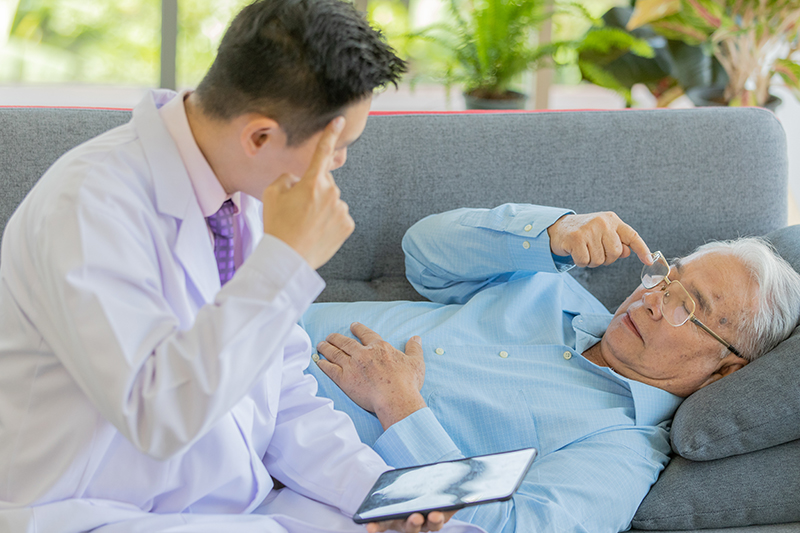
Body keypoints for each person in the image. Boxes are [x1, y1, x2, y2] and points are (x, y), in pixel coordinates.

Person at [0, 2, 484, 533]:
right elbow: (158, 417)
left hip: (232, 508)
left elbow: (283, 397)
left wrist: (380, 496)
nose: (341, 164)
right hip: (89, 513)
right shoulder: (88, 208)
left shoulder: (247, 194)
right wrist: (287, 261)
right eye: (337, 148)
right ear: (258, 137)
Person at [300, 203, 800, 533]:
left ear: (723, 372)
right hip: (263, 332)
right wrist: (554, 233)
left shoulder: (620, 449)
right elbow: (423, 254)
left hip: (281, 444)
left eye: (686, 306)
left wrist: (401, 408)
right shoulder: (551, 287)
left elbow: (516, 527)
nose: (651, 300)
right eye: (668, 277)